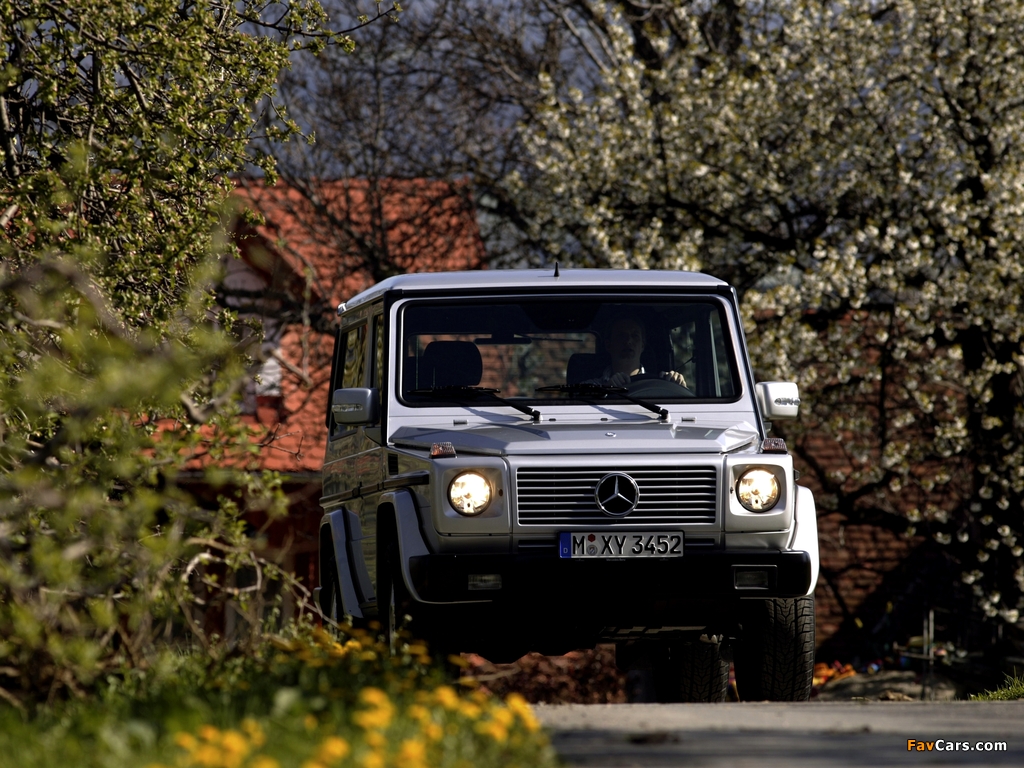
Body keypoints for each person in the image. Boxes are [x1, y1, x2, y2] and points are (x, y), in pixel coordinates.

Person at [588, 316, 688, 388]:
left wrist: (679, 387)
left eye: (635, 336)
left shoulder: (659, 385)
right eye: (621, 336)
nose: (628, 341)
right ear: (608, 345)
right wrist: (606, 390)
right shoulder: (590, 387)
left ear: (642, 345)